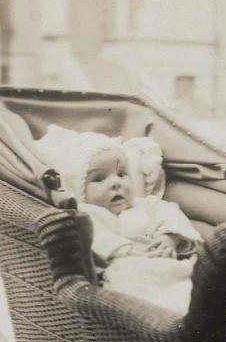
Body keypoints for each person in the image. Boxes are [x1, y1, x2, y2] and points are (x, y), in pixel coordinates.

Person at [36, 126, 202, 315]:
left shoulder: (146, 204)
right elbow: (93, 237)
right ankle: (165, 319)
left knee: (192, 283)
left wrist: (171, 238)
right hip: (127, 272)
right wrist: (124, 249)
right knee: (130, 285)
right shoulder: (88, 213)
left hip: (168, 265)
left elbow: (171, 215)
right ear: (78, 189)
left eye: (122, 174)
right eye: (99, 179)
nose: (116, 183)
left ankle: (189, 314)